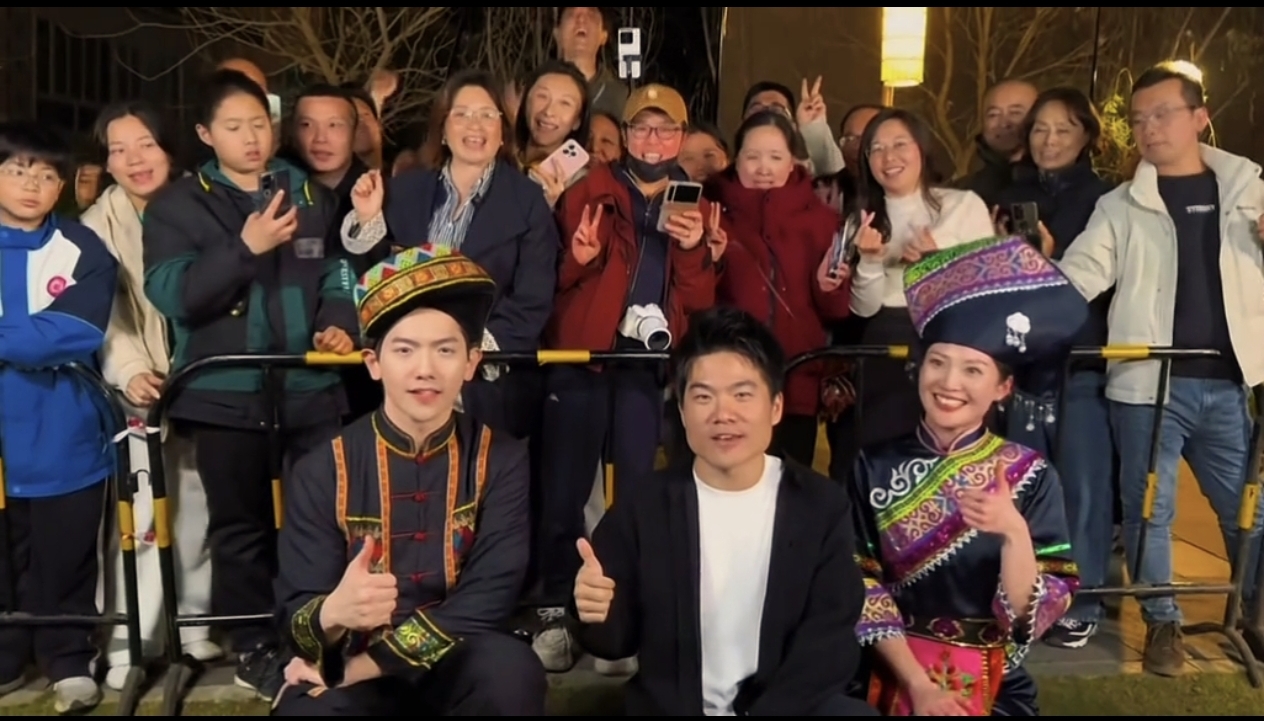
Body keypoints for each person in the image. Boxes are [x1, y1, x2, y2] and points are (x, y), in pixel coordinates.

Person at [142, 69, 356, 700]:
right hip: (224, 392)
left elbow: (339, 271)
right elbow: (175, 294)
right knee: (240, 527)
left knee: (322, 518)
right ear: (206, 134)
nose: (251, 137)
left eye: (259, 123)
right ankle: (253, 646)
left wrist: (339, 323)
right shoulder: (178, 205)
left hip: (309, 388)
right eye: (234, 127)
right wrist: (245, 246)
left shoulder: (308, 192)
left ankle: (317, 636)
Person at [272, 245, 546, 716]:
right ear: (373, 363)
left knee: (511, 671)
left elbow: (489, 598)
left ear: (471, 363)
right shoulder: (323, 467)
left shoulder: (500, 458)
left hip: (451, 661)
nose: (425, 370)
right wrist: (334, 613)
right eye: (404, 350)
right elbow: (296, 615)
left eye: (445, 350)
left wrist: (361, 668)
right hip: (350, 670)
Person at [1057, 62, 1264, 676]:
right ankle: (1162, 622)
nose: (1149, 128)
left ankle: (1252, 612)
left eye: (1162, 114)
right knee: (1149, 511)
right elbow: (1081, 274)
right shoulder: (1121, 204)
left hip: (1228, 382)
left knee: (1248, 511)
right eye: (1139, 118)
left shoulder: (1249, 190)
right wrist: (1028, 292)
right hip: (1147, 385)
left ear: (1200, 117)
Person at [571, 306, 875, 716]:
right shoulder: (644, 506)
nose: (722, 414)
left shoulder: (820, 507)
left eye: (742, 394)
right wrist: (592, 608)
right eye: (703, 397)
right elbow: (613, 642)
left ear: (776, 406)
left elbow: (829, 646)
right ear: (682, 411)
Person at [853, 235, 1082, 716]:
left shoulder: (1031, 474)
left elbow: (1031, 614)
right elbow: (858, 582)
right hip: (889, 674)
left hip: (995, 682)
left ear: (1003, 387)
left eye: (973, 371)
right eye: (937, 363)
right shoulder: (872, 465)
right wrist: (918, 686)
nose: (949, 383)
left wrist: (1013, 531)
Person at [534, 83, 720, 672]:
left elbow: (700, 300)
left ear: (682, 138)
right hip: (582, 359)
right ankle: (556, 611)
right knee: (564, 492)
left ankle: (623, 616)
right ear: (626, 134)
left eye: (666, 129)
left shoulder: (698, 205)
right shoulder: (589, 187)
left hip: (645, 366)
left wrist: (692, 248)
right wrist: (578, 259)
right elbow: (551, 278)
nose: (653, 139)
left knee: (637, 493)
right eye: (642, 127)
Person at [82, 102, 221, 691]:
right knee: (139, 516)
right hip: (138, 390)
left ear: (169, 147)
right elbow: (105, 315)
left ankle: (193, 622)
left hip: (201, 377)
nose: (134, 159)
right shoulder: (96, 226)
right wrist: (132, 368)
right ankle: (130, 639)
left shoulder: (205, 203)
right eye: (119, 149)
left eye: (145, 144)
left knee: (198, 504)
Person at [342, 69, 559, 438]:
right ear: (442, 128)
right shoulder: (404, 191)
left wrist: (466, 355)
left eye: (487, 114)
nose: (475, 125)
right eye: (462, 114)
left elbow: (533, 298)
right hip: (406, 380)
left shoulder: (527, 201)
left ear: (502, 131)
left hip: (487, 381)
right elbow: (373, 278)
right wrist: (368, 218)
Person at [992, 87, 1116, 650]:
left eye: (1063, 128)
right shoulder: (1008, 195)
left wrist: (1048, 258)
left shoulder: (1105, 199)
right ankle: (1026, 595)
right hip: (1023, 359)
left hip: (1081, 359)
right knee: (1024, 488)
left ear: (1086, 135)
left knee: (1082, 488)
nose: (1049, 139)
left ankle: (1082, 601)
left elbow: (1098, 280)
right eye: (1040, 128)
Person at [0, 122, 118, 714]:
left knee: (65, 557)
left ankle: (69, 660)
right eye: (18, 170)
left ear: (63, 186)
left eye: (47, 175)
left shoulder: (83, 249)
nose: (32, 185)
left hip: (64, 432)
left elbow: (73, 333)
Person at [828, 108, 993, 483]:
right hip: (885, 340)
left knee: (947, 460)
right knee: (882, 459)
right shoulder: (861, 220)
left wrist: (938, 264)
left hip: (951, 338)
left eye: (900, 144)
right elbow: (863, 308)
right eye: (876, 148)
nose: (889, 157)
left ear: (922, 148)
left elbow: (986, 288)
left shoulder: (963, 205)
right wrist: (870, 261)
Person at [706, 110, 849, 465]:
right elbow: (695, 299)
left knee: (790, 482)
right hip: (728, 379)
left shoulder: (822, 221)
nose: (763, 168)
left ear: (793, 162)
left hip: (796, 378)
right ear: (736, 160)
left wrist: (828, 287)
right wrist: (709, 261)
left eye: (775, 157)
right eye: (752, 157)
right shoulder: (710, 213)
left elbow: (836, 311)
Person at [515, 60, 592, 208]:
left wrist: (551, 208)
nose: (549, 112)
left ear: (577, 120)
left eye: (565, 103)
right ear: (525, 102)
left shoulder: (583, 184)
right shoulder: (500, 163)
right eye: (542, 96)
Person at [954, 79, 1038, 207]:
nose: (1003, 123)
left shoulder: (1061, 185)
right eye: (993, 114)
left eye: (1015, 113)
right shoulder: (963, 194)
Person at [553, 7, 629, 119]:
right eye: (571, 14)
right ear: (557, 34)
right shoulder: (536, 89)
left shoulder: (622, 98)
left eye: (591, 15)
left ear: (603, 36)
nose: (581, 19)